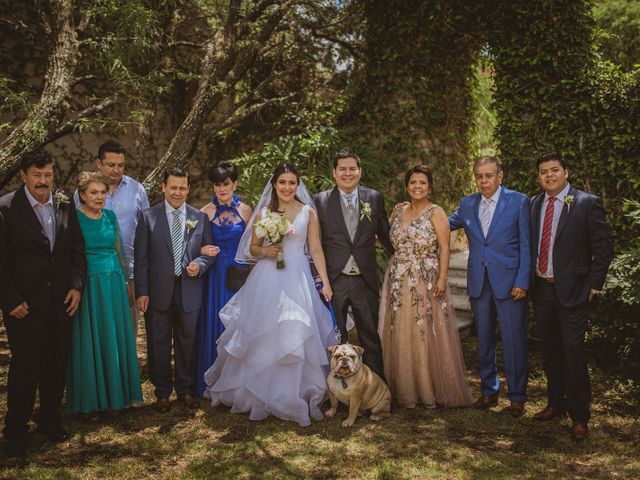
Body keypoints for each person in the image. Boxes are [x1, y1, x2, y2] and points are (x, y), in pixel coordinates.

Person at [204, 163, 337, 427]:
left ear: (297, 185)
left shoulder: (308, 212)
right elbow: (252, 248)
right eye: (282, 183)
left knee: (296, 329)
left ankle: (294, 392)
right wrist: (267, 250)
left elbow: (316, 249)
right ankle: (257, 392)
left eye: (292, 182)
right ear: (274, 185)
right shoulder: (264, 211)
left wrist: (325, 282)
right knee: (263, 332)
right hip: (267, 278)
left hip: (297, 277)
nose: (287, 188)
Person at [0, 150, 86, 457]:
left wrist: (76, 286)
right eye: (37, 175)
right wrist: (10, 299)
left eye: (48, 174)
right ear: (23, 175)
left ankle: (49, 421)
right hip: (24, 306)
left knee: (55, 366)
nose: (43, 181)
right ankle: (15, 430)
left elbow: (76, 249)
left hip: (60, 303)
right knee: (25, 368)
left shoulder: (64, 203)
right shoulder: (7, 208)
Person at [529, 152, 613, 441]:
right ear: (538, 176)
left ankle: (579, 416)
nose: (549, 175)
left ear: (567, 172)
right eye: (543, 172)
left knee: (573, 351)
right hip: (542, 289)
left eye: (554, 170)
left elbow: (603, 249)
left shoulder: (587, 203)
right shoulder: (534, 204)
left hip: (574, 291)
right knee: (550, 349)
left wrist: (592, 285)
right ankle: (555, 403)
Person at [379, 165, 473, 408]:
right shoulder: (398, 210)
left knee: (424, 330)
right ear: (407, 186)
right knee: (399, 328)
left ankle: (427, 388)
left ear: (429, 187)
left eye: (422, 183)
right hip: (398, 278)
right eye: (413, 182)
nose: (417, 187)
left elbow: (444, 248)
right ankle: (402, 388)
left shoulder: (436, 212)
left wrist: (442, 279)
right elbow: (383, 237)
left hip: (426, 279)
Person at [449, 156, 530, 417]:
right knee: (483, 339)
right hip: (479, 283)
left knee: (513, 340)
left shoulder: (518, 202)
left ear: (500, 176)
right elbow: (442, 225)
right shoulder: (467, 203)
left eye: (489, 175)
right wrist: (416, 211)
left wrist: (522, 280)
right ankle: (488, 390)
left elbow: (527, 246)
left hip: (510, 284)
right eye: (479, 176)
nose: (484, 181)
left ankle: (517, 397)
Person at [134, 167, 214, 412]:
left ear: (188, 189)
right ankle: (161, 392)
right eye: (173, 187)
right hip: (158, 291)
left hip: (189, 289)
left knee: (187, 342)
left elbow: (208, 252)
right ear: (164, 188)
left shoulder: (199, 218)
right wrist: (142, 292)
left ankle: (186, 389)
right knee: (158, 343)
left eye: (182, 187)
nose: (178, 192)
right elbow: (142, 259)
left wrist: (198, 266)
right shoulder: (148, 217)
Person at [66, 172, 143, 421]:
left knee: (114, 337)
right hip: (89, 284)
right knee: (92, 339)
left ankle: (116, 397)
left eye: (102, 192)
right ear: (83, 195)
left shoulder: (110, 216)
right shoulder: (74, 219)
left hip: (113, 284)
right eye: (93, 192)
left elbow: (119, 250)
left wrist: (128, 282)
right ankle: (92, 402)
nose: (99, 197)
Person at [314, 147, 393, 381]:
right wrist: (318, 277)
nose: (347, 173)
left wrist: (398, 255)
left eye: (352, 168)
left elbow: (385, 233)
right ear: (334, 173)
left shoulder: (374, 198)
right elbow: (314, 242)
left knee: (370, 333)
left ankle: (377, 385)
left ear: (360, 171)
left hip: (364, 278)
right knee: (334, 337)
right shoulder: (320, 201)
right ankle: (336, 389)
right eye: (342, 169)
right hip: (334, 280)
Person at [74, 140, 149, 336]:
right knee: (96, 329)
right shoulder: (82, 193)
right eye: (111, 164)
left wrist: (139, 278)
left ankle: (124, 367)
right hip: (91, 276)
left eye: (121, 165)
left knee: (126, 329)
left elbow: (147, 233)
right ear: (99, 163)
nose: (117, 170)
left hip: (128, 273)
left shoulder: (138, 190)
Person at [195, 162, 252, 396]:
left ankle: (239, 381)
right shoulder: (205, 212)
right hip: (216, 274)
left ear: (234, 184)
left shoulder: (247, 211)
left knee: (239, 323)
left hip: (239, 273)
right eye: (217, 184)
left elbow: (252, 245)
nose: (221, 188)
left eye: (226, 183)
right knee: (215, 320)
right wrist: (202, 251)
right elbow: (194, 246)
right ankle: (213, 379)